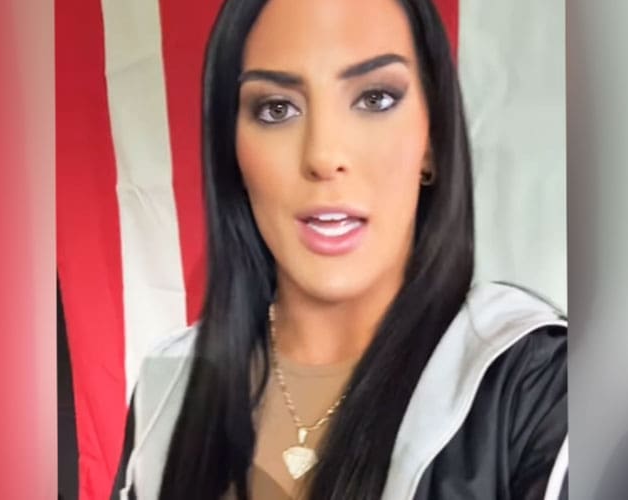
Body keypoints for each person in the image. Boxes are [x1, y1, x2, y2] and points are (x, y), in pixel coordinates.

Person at [112, 0, 567, 499]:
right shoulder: (168, 390)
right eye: (277, 109)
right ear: (233, 150)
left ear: (432, 141)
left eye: (374, 99)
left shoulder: (536, 385)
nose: (324, 156)